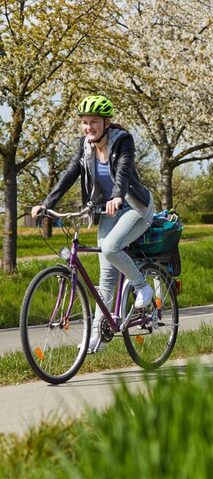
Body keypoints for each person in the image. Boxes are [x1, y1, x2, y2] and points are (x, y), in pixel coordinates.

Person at [31, 95, 155, 353]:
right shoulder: (85, 146)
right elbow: (68, 175)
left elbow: (123, 170)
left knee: (110, 248)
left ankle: (142, 286)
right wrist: (46, 203)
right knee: (106, 277)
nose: (89, 127)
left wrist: (117, 195)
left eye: (94, 122)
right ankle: (97, 335)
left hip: (134, 207)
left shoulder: (123, 140)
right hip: (108, 210)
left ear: (106, 122)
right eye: (85, 122)